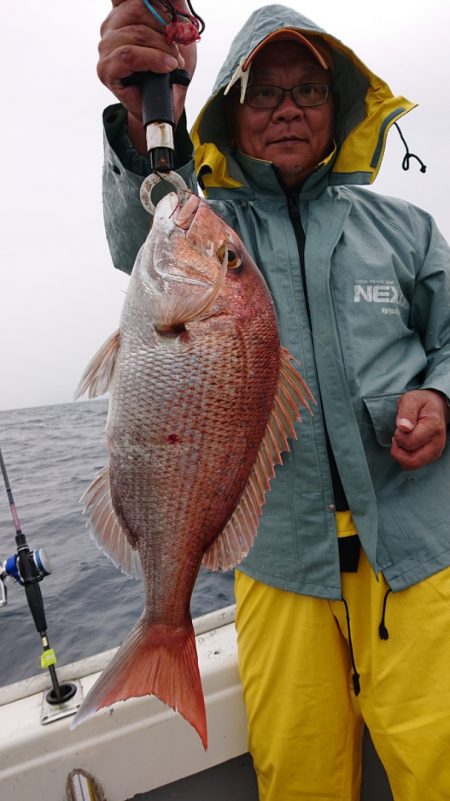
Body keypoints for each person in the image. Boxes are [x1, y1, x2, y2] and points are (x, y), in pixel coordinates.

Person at [97, 3, 450, 799]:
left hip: (419, 555)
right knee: (299, 776)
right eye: (265, 92)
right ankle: (164, 633)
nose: (288, 107)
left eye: (309, 91)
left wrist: (440, 393)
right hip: (278, 563)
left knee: (442, 765)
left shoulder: (408, 230)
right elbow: (139, 232)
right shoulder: (211, 229)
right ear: (233, 109)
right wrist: (143, 120)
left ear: (340, 110)